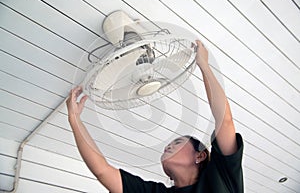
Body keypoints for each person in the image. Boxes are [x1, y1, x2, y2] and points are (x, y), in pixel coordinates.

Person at [66, 40, 244, 193]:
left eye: (176, 143)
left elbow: (225, 122)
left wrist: (203, 65)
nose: (168, 145)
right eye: (175, 142)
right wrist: (75, 119)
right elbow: (104, 171)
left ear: (200, 156)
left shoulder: (221, 177)